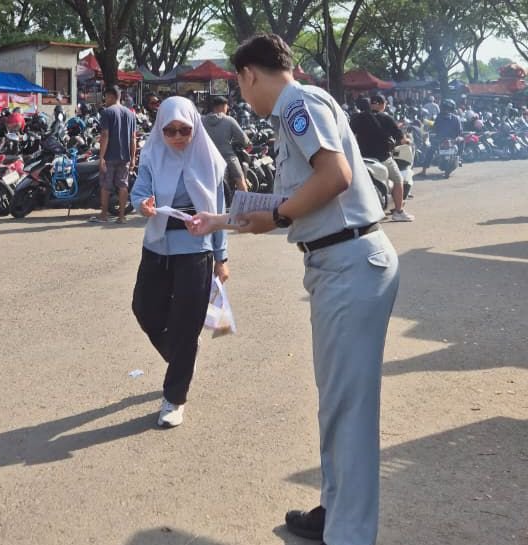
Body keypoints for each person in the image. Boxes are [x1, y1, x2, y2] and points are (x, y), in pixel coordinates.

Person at [187, 34, 399, 545]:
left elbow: (334, 177)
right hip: (338, 262)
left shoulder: (298, 105)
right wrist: (221, 219)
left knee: (349, 409)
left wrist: (279, 215)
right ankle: (336, 511)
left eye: (240, 86)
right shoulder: (297, 109)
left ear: (249, 75)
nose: (242, 97)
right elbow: (295, 197)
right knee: (337, 402)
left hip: (348, 262)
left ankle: (349, 535)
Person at [130, 96, 229, 428]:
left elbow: (219, 212)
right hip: (157, 245)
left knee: (186, 322)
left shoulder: (209, 160)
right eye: (169, 130)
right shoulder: (151, 155)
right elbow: (140, 191)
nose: (176, 137)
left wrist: (221, 257)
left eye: (183, 130)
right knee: (144, 309)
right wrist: (142, 205)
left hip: (196, 250)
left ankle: (174, 398)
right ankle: (182, 356)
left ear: (194, 128)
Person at [350, 95, 414, 221]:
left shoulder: (356, 118)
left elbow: (351, 135)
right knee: (398, 180)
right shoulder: (385, 118)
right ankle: (398, 212)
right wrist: (407, 141)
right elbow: (401, 139)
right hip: (382, 158)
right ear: (380, 104)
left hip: (362, 158)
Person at [91, 85, 136, 224]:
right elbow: (133, 138)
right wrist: (133, 158)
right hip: (125, 156)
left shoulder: (107, 112)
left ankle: (104, 215)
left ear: (111, 96)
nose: (105, 100)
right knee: (123, 185)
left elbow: (105, 135)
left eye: (106, 97)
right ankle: (121, 217)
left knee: (106, 186)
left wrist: (101, 157)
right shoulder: (130, 114)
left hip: (109, 156)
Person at [202, 95, 250, 194]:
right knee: (240, 180)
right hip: (228, 157)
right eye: (226, 106)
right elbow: (243, 139)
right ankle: (245, 201)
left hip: (208, 158)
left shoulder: (202, 121)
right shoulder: (229, 120)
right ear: (223, 106)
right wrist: (247, 143)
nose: (227, 108)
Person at [420, 99, 463, 176]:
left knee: (430, 151)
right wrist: (456, 138)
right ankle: (460, 158)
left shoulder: (438, 117)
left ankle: (424, 170)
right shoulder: (456, 118)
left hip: (440, 140)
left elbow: (434, 129)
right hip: (451, 140)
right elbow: (459, 131)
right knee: (462, 140)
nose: (446, 109)